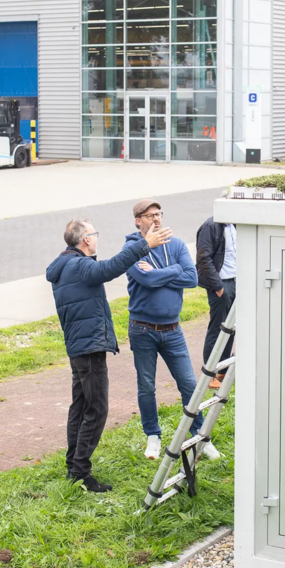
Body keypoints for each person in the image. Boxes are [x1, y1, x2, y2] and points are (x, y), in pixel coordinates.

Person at [46, 218, 172, 492]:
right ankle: (81, 472)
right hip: (89, 346)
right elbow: (110, 268)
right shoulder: (80, 266)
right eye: (95, 233)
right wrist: (144, 245)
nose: (97, 238)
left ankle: (74, 467)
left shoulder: (64, 265)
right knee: (97, 409)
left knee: (80, 406)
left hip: (79, 346)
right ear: (86, 239)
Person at [125, 199, 221, 462]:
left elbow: (192, 278)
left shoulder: (176, 245)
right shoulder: (131, 249)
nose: (156, 219)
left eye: (158, 214)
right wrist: (174, 270)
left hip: (173, 330)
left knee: (189, 384)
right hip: (142, 329)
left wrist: (165, 271)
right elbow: (145, 279)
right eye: (149, 215)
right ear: (138, 220)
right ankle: (152, 437)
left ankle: (200, 437)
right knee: (146, 386)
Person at [196, 216, 236, 390]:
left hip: (236, 281)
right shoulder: (210, 226)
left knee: (231, 327)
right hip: (221, 284)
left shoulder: (236, 223)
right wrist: (218, 287)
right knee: (217, 327)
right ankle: (209, 374)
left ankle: (223, 369)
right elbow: (203, 258)